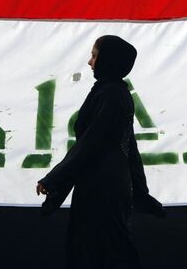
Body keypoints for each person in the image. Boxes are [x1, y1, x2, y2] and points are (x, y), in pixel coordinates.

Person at [36, 35, 165, 269]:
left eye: (95, 56)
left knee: (103, 253)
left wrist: (54, 179)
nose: (90, 62)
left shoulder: (111, 95)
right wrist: (139, 190)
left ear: (108, 60)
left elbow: (89, 144)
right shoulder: (113, 93)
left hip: (102, 190)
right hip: (106, 188)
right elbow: (130, 149)